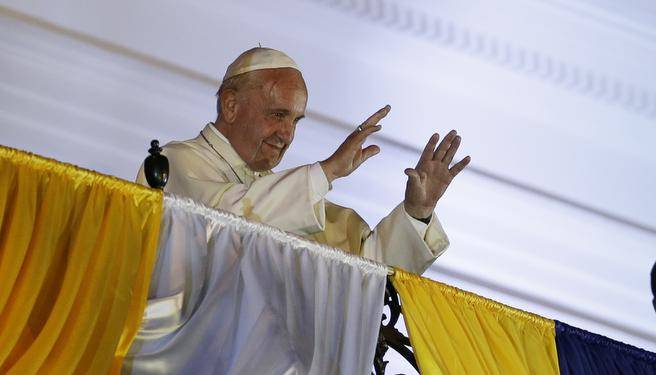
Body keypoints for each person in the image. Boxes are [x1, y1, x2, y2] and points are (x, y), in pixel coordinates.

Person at [136, 47, 470, 274]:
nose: (287, 134)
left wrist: (417, 213)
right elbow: (223, 224)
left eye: (295, 120)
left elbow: (365, 269)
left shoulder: (286, 196)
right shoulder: (176, 163)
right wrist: (328, 171)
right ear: (231, 106)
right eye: (277, 114)